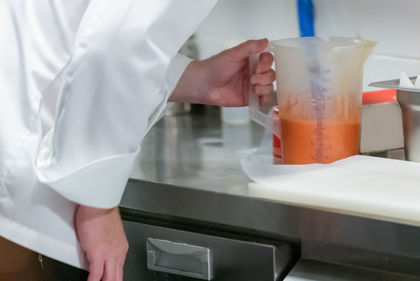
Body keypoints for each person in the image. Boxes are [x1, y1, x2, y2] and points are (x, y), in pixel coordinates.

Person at [0, 1, 275, 281]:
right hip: (19, 167)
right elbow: (120, 40)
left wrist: (197, 80)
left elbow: (95, 29)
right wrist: (97, 203)